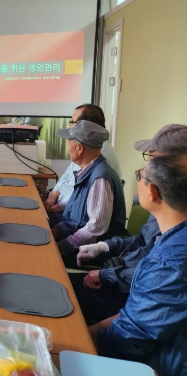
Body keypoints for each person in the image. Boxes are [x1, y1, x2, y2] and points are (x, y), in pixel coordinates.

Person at [71, 124, 187, 323]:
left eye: (151, 158)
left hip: (128, 293)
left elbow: (156, 277)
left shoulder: (174, 248)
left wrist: (108, 276)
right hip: (121, 276)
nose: (145, 166)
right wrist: (104, 246)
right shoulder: (165, 209)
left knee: (65, 300)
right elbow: (142, 241)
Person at [93, 149, 187, 376]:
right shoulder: (173, 239)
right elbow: (137, 317)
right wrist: (91, 330)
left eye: (140, 176)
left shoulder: (169, 262)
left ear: (152, 192)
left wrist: (79, 345)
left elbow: (129, 340)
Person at [52, 121, 126, 264]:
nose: (67, 149)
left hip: (89, 252)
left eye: (68, 143)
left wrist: (61, 247)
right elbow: (73, 216)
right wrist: (56, 229)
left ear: (79, 148)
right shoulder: (87, 172)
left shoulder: (100, 179)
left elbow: (95, 229)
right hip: (76, 243)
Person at [44, 104, 121, 216]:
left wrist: (55, 208)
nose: (70, 126)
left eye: (72, 122)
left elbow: (81, 195)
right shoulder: (86, 148)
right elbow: (68, 173)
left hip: (71, 211)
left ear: (86, 126)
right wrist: (52, 197)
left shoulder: (97, 154)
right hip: (66, 207)